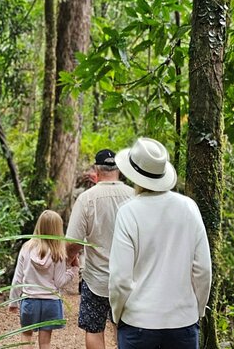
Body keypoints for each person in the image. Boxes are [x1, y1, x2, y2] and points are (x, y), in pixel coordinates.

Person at [109, 137, 212, 349]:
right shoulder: (189, 208)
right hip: (182, 321)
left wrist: (117, 314)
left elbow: (120, 278)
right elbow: (203, 270)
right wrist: (197, 310)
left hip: (138, 322)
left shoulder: (128, 212)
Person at [66, 149, 135, 349]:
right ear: (119, 170)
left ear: (97, 169)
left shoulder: (87, 198)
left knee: (94, 329)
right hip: (128, 279)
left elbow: (72, 242)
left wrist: (71, 258)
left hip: (95, 278)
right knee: (123, 326)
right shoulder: (134, 196)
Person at [9, 210, 80, 349]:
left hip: (29, 301)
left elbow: (18, 278)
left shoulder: (26, 248)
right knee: (45, 343)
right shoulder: (58, 253)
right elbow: (60, 282)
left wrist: (13, 301)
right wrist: (73, 271)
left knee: (26, 337)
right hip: (51, 303)